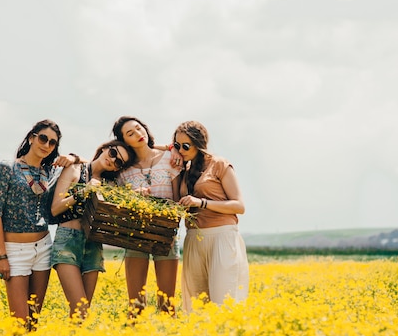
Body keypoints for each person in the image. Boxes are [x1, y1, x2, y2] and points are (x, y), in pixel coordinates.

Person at [0, 119, 79, 331]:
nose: (46, 145)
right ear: (32, 137)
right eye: (43, 138)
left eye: (52, 143)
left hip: (43, 248)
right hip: (15, 251)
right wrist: (1, 255)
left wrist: (72, 157)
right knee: (19, 324)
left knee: (33, 320)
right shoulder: (6, 168)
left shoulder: (50, 172)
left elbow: (83, 163)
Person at [51, 140, 135, 319]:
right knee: (79, 308)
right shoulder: (75, 169)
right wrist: (84, 191)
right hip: (68, 240)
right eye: (113, 153)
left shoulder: (110, 185)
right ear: (105, 148)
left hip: (93, 243)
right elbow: (55, 208)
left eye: (119, 162)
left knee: (83, 313)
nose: (113, 160)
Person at [173, 120, 250, 312]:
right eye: (177, 145)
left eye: (185, 146)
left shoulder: (220, 164)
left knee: (224, 301)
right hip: (194, 239)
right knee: (198, 306)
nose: (181, 150)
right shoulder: (185, 170)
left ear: (198, 144)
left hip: (221, 237)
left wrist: (202, 203)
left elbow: (239, 206)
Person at [112, 115, 182, 318]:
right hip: (135, 235)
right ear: (124, 141)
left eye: (138, 128)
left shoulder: (170, 158)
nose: (138, 134)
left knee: (167, 305)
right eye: (130, 134)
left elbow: (177, 199)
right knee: (136, 305)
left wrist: (172, 147)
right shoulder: (122, 169)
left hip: (166, 233)